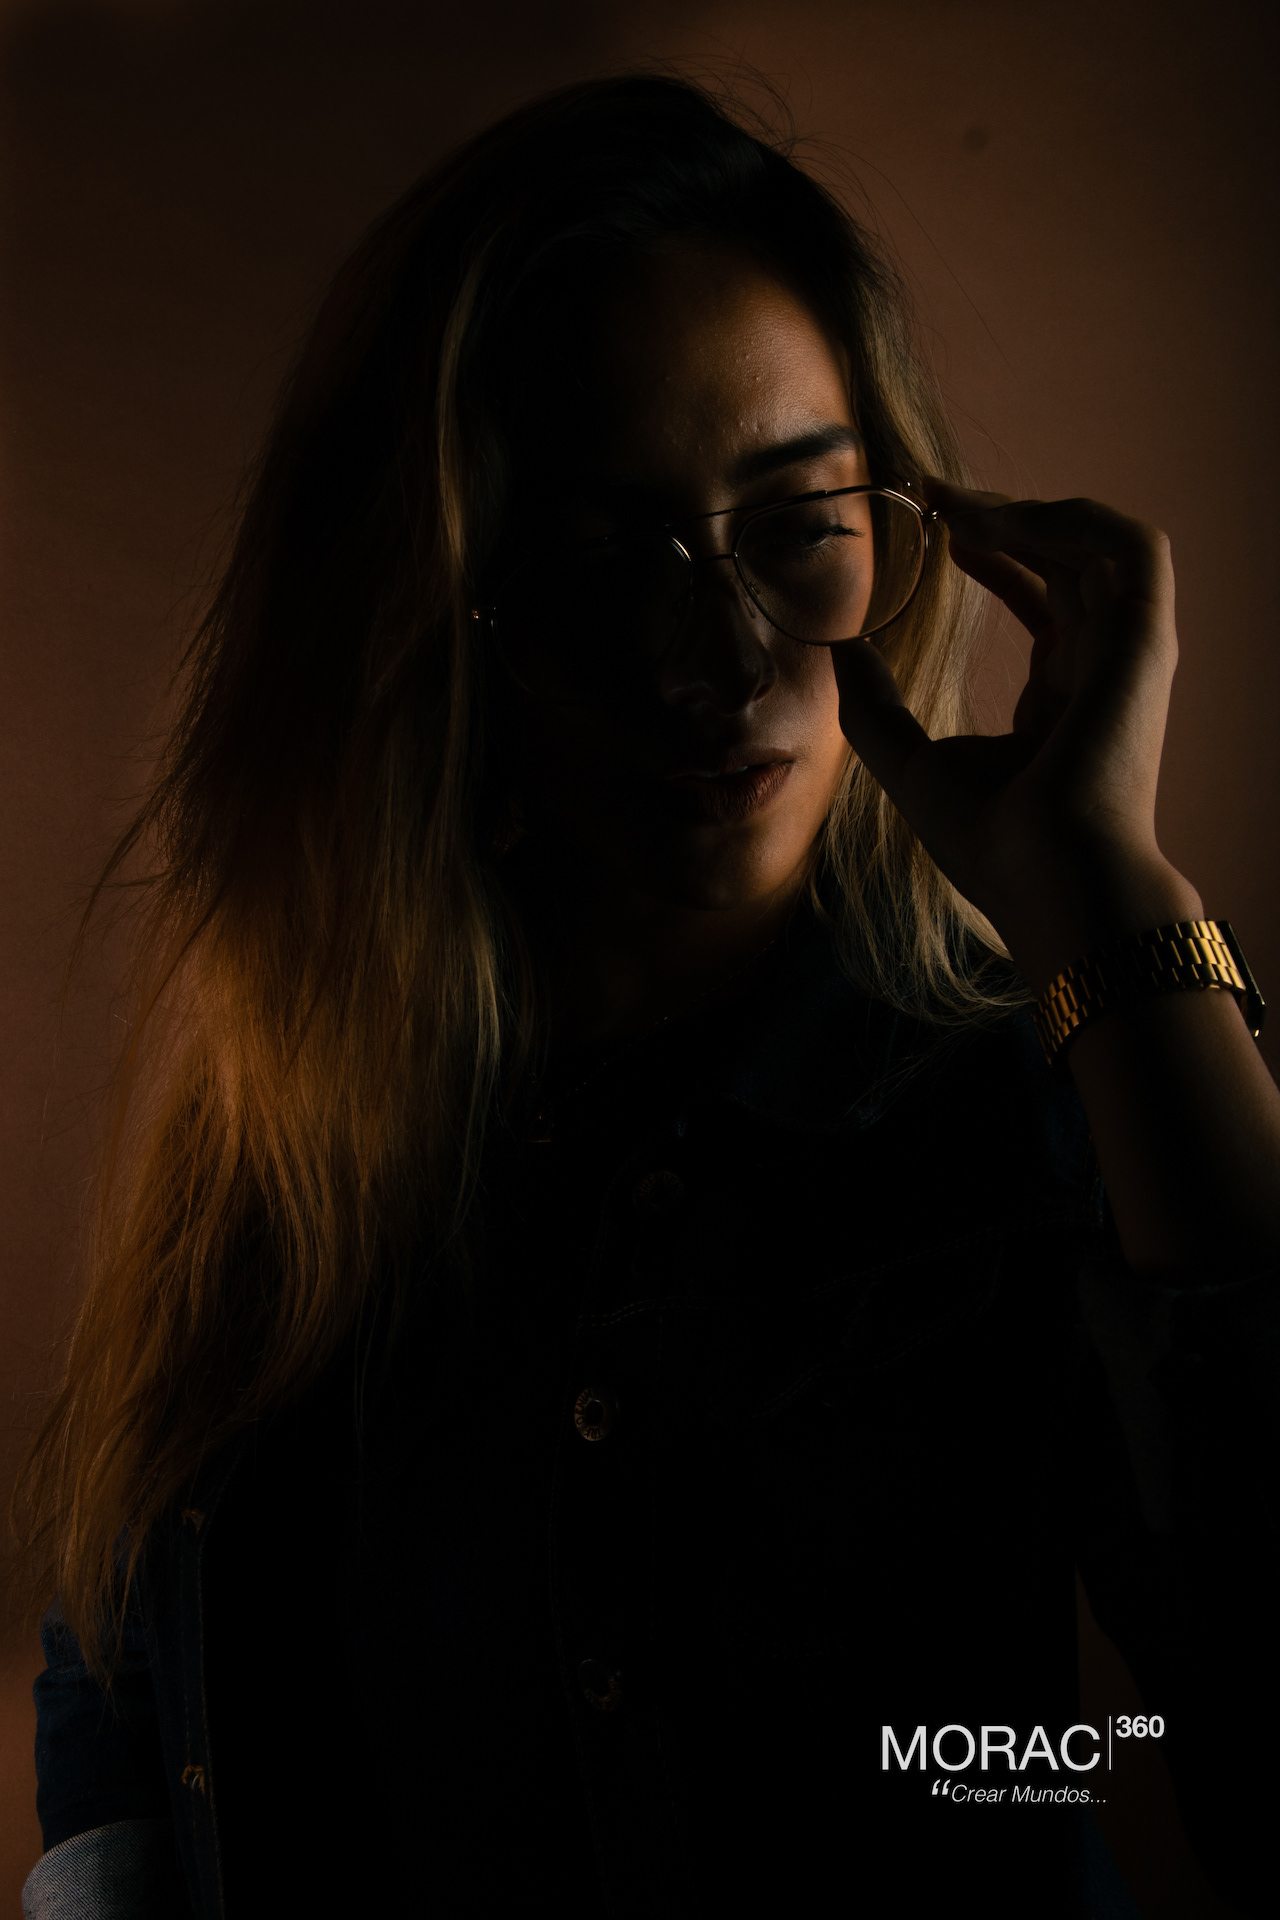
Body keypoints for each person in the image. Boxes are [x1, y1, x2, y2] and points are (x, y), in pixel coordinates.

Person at [13, 73, 1278, 1920]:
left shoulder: (1034, 1105)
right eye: (604, 559)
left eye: (798, 519)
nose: (722, 654)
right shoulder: (306, 1104)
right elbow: (124, 1643)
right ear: (434, 593)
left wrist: (1114, 902)